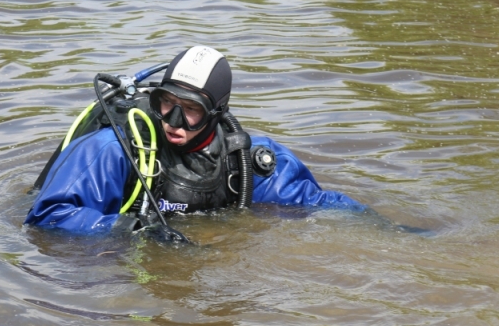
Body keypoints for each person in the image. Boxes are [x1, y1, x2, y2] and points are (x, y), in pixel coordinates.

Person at [25, 46, 364, 237]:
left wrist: (378, 224)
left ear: (217, 112)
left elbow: (313, 203)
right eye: (166, 103)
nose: (173, 121)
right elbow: (48, 216)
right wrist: (132, 229)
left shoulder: (244, 161)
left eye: (190, 110)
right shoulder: (112, 151)